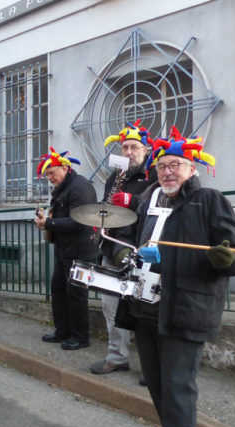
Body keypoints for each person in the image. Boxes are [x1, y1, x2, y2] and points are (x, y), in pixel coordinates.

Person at [113, 128, 235, 427]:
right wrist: (122, 255)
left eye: (175, 164)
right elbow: (130, 238)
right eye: (162, 166)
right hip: (144, 305)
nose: (167, 171)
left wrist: (227, 258)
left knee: (177, 390)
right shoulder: (149, 199)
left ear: (192, 169)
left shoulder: (210, 200)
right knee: (158, 387)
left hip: (184, 306)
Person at [90, 121, 157, 376]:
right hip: (114, 245)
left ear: (145, 148)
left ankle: (152, 367)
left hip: (140, 248)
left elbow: (159, 203)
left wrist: (134, 200)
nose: (129, 152)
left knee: (145, 309)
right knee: (110, 306)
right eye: (125, 147)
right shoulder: (114, 177)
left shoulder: (153, 173)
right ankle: (117, 357)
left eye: (134, 147)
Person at [34, 147, 98, 350]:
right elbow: (62, 216)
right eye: (47, 175)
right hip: (64, 249)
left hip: (80, 250)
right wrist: (50, 225)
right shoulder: (64, 187)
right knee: (59, 290)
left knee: (76, 294)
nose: (50, 178)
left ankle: (80, 337)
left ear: (64, 167)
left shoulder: (80, 187)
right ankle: (62, 331)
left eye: (52, 173)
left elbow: (80, 221)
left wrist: (49, 225)